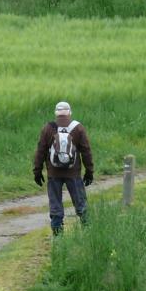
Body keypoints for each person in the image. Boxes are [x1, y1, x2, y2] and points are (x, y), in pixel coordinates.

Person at [33, 101, 94, 236]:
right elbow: (86, 152)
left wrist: (37, 171)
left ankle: (58, 235)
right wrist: (89, 171)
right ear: (69, 113)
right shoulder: (78, 128)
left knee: (55, 205)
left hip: (53, 173)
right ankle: (88, 233)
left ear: (56, 113)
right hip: (73, 173)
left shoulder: (47, 129)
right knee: (81, 204)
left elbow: (40, 151)